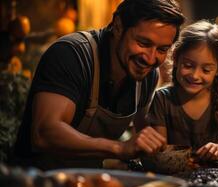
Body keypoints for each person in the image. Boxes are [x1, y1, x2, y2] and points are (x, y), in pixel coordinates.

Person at [12, 0, 185, 169]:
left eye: (162, 49)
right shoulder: (71, 55)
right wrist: (119, 148)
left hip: (90, 184)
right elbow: (44, 133)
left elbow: (148, 140)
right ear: (118, 26)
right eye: (143, 43)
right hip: (36, 184)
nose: (150, 58)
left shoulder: (148, 76)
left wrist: (189, 155)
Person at [147, 20, 218, 161]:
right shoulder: (161, 99)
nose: (195, 75)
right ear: (176, 58)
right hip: (175, 174)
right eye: (188, 65)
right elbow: (161, 149)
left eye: (206, 70)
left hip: (213, 176)